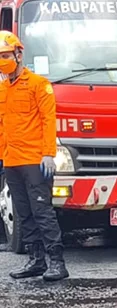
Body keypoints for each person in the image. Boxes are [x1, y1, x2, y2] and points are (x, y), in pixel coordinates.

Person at [1, 31, 67, 281]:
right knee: (23, 213)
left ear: (19, 54)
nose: (2, 60)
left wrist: (49, 154)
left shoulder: (39, 85)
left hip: (35, 161)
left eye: (6, 55)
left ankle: (57, 262)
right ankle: (36, 260)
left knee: (42, 212)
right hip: (11, 161)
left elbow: (48, 120)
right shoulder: (3, 89)